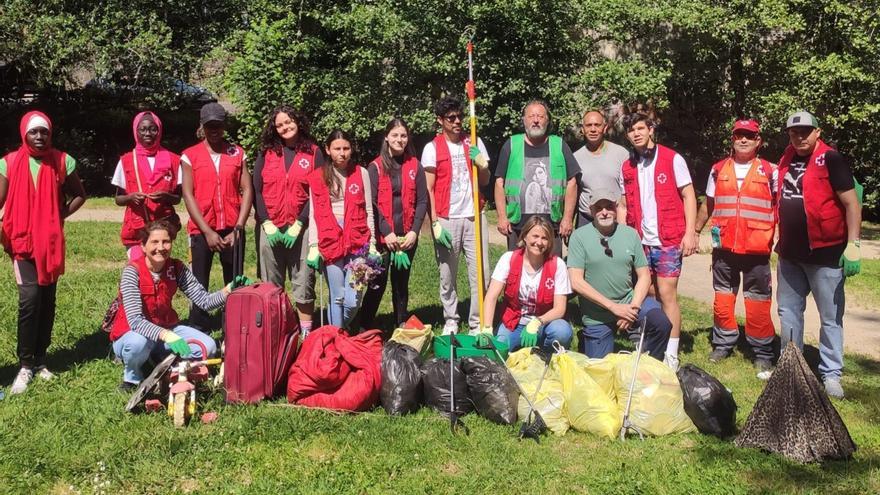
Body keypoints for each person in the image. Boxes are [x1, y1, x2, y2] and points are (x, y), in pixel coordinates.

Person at [775, 111, 861, 399]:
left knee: (830, 317)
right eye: (794, 132)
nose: (799, 136)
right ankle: (790, 368)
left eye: (805, 131)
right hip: (789, 253)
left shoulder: (832, 159)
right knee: (788, 313)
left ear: (817, 132)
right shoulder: (786, 157)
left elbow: (851, 203)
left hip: (825, 254)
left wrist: (854, 244)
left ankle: (831, 373)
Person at [0, 111, 87, 394]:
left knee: (47, 302)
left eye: (44, 132)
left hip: (49, 244)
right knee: (30, 300)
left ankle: (40, 360)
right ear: (24, 133)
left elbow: (79, 194)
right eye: (34, 132)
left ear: (51, 134)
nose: (39, 137)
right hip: (22, 242)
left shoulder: (63, 161)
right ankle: (24, 365)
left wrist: (56, 216)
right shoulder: (9, 163)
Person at [109, 220, 248, 390]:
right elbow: (136, 321)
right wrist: (167, 336)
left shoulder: (176, 268)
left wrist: (227, 291)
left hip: (166, 327)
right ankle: (132, 376)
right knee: (137, 344)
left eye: (166, 242)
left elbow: (204, 301)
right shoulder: (132, 272)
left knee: (210, 347)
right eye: (154, 242)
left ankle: (162, 361)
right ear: (143, 246)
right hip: (132, 333)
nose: (161, 247)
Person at [695, 119, 776, 378]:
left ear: (758, 141)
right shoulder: (718, 169)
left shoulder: (770, 171)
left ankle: (762, 351)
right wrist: (695, 231)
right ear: (732, 139)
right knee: (723, 298)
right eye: (738, 135)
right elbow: (708, 205)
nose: (743, 140)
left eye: (749, 136)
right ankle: (723, 343)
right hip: (725, 248)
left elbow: (780, 207)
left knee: (758, 302)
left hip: (757, 249)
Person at [617, 112, 698, 370]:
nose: (636, 133)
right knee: (648, 291)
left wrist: (690, 233)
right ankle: (654, 342)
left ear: (651, 130)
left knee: (666, 293)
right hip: (640, 241)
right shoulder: (627, 166)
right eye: (631, 131)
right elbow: (623, 203)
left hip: (668, 238)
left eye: (641, 128)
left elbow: (688, 195)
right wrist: (621, 236)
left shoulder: (672, 159)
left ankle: (672, 354)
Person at [567, 188, 671, 360]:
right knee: (600, 370)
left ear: (616, 209)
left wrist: (634, 308)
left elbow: (644, 275)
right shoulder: (579, 237)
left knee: (662, 323)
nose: (604, 212)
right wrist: (613, 307)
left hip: (628, 302)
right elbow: (576, 281)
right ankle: (587, 340)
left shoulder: (630, 234)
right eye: (599, 208)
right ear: (591, 211)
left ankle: (649, 363)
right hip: (597, 313)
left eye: (609, 206)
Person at [180, 102, 253, 331]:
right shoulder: (189, 155)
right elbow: (188, 194)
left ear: (224, 125)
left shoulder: (237, 153)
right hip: (203, 230)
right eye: (210, 125)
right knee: (198, 281)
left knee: (234, 280)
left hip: (232, 228)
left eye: (218, 125)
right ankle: (199, 326)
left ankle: (233, 323)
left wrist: (238, 229)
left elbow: (247, 189)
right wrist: (207, 231)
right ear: (202, 126)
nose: (214, 130)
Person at [422, 96, 491, 335]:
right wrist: (435, 223)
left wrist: (482, 165)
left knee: (481, 273)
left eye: (460, 116)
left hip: (474, 216)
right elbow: (429, 188)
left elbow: (485, 181)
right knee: (447, 273)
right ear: (440, 120)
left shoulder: (474, 141)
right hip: (447, 218)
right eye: (451, 118)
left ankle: (477, 321)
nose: (458, 121)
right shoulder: (432, 148)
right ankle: (451, 318)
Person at [253, 106, 323, 337]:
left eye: (289, 121)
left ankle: (305, 334)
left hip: (300, 230)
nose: (285, 127)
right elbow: (257, 190)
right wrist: (265, 221)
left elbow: (318, 192)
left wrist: (300, 223)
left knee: (303, 281)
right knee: (270, 284)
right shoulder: (267, 152)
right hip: (270, 227)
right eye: (280, 124)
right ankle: (276, 332)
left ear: (298, 121)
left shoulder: (313, 152)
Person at [306, 130, 378, 329]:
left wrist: (371, 244)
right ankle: (337, 340)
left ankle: (338, 329)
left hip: (358, 238)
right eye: (337, 149)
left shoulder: (361, 173)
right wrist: (313, 245)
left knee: (353, 299)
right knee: (337, 296)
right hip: (330, 238)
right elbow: (314, 214)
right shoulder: (318, 177)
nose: (342, 153)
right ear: (328, 150)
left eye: (346, 148)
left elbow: (368, 210)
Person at [360, 119, 428, 328]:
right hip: (383, 239)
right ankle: (364, 326)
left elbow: (422, 200)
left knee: (401, 284)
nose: (400, 139)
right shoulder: (375, 167)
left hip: (407, 238)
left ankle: (400, 326)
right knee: (376, 284)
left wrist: (414, 232)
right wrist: (386, 232)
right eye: (395, 135)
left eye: (404, 135)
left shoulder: (415, 165)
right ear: (387, 137)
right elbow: (370, 204)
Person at [494, 99, 579, 254]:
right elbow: (499, 182)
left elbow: (572, 182)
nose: (535, 120)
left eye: (540, 116)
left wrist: (567, 218)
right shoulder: (511, 144)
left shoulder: (559, 145)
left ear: (547, 120)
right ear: (524, 120)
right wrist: (501, 216)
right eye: (531, 116)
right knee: (517, 272)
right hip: (517, 226)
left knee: (552, 272)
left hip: (552, 226)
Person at [481, 216, 573, 352]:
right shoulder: (508, 259)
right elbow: (491, 296)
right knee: (499, 349)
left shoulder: (557, 265)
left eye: (545, 238)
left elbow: (560, 308)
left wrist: (537, 322)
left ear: (549, 242)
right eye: (535, 236)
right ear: (525, 237)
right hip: (514, 322)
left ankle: (547, 355)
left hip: (544, 323)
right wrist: (487, 328)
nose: (539, 242)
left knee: (562, 331)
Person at [111, 111, 182, 260]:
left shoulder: (174, 160)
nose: (147, 133)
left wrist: (166, 196)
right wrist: (131, 197)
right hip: (136, 229)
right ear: (136, 132)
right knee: (139, 269)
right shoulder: (127, 160)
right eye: (142, 129)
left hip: (163, 228)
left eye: (152, 129)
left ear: (159, 130)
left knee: (159, 269)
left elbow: (177, 198)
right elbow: (118, 199)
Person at [572, 109, 629, 228]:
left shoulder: (621, 154)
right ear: (583, 129)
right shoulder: (575, 158)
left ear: (605, 128)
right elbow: (572, 190)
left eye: (597, 125)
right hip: (586, 221)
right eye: (589, 125)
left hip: (616, 220)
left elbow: (629, 189)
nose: (593, 129)